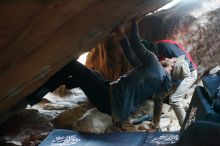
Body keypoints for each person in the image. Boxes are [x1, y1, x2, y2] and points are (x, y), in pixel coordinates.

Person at [45, 20, 173, 131]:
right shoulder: (162, 83)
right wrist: (155, 126)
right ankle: (65, 83)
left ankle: (46, 86)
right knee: (94, 74)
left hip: (107, 96)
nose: (168, 58)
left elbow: (135, 43)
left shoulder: (154, 63)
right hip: (117, 109)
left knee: (73, 66)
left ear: (171, 67)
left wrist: (135, 22)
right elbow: (132, 57)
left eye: (172, 61)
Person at [142, 39, 198, 126]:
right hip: (174, 74)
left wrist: (174, 83)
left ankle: (185, 129)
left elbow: (184, 63)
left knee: (174, 100)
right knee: (158, 96)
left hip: (188, 73)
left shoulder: (163, 47)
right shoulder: (154, 55)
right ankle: (155, 126)